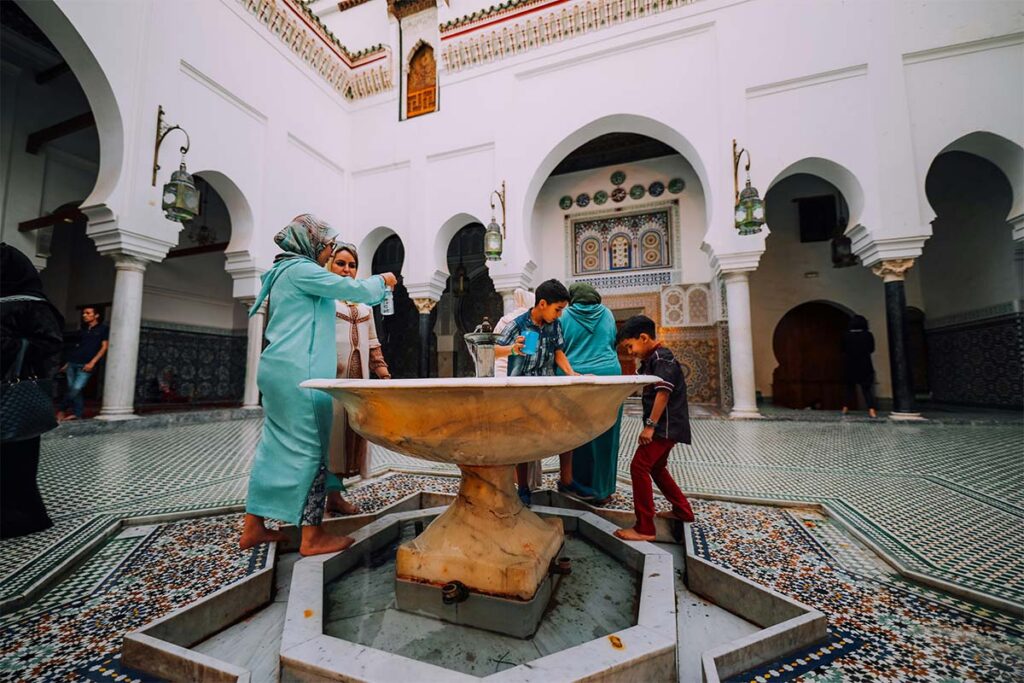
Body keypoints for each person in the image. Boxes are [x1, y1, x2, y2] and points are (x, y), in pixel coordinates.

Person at [239, 215, 397, 556]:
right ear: (309, 242)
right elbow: (351, 290)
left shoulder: (281, 272)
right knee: (311, 450)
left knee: (274, 448)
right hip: (302, 375)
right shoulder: (301, 270)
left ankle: (254, 527)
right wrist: (382, 281)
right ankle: (312, 536)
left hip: (277, 371)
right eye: (327, 245)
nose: (328, 252)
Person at [494, 279, 595, 506]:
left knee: (567, 426)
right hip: (522, 390)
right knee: (523, 439)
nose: (560, 315)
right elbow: (493, 350)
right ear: (542, 303)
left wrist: (571, 373)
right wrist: (512, 349)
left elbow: (558, 351)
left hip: (547, 386)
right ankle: (524, 488)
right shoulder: (517, 324)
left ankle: (567, 479)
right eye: (557, 309)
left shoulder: (554, 325)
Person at [323, 242, 391, 516]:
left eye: (352, 265)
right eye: (340, 263)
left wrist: (383, 373)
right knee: (330, 440)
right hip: (330, 382)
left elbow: (373, 343)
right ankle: (322, 500)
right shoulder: (325, 299)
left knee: (351, 436)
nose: (347, 270)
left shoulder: (364, 305)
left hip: (357, 384)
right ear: (330, 265)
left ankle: (335, 496)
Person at [1, 243, 64, 538]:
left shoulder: (31, 304)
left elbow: (49, 347)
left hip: (15, 396)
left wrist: (9, 348)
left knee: (17, 460)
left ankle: (24, 518)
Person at [613, 315, 694, 542]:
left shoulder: (662, 357)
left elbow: (663, 393)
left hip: (664, 427)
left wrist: (650, 426)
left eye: (630, 346)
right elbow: (633, 382)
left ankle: (645, 528)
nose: (630, 352)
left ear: (644, 338)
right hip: (667, 426)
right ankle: (683, 510)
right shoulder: (651, 360)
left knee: (639, 467)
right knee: (657, 468)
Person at [556, 283, 622, 504]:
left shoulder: (564, 315)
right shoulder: (608, 314)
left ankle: (579, 485)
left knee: (577, 433)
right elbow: (612, 341)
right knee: (607, 434)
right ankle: (605, 489)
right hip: (610, 378)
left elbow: (559, 348)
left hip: (576, 377)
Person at [493, 288, 543, 491]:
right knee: (526, 433)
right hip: (525, 381)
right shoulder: (532, 322)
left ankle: (507, 481)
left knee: (506, 432)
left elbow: (494, 350)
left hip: (501, 381)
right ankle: (527, 484)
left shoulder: (506, 320)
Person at [57, 306, 108, 421]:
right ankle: (77, 414)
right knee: (75, 391)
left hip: (86, 365)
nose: (84, 315)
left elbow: (104, 347)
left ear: (96, 315)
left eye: (88, 313)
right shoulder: (83, 329)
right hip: (73, 363)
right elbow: (77, 347)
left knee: (76, 388)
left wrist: (92, 363)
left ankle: (61, 409)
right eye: (84, 313)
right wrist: (67, 364)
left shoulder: (103, 329)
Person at [841, 314, 878, 418]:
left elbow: (843, 349)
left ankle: (845, 408)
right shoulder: (868, 335)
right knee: (866, 389)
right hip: (865, 364)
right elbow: (871, 349)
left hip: (850, 364)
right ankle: (871, 410)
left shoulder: (846, 335)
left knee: (849, 388)